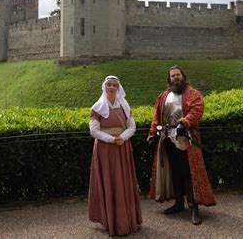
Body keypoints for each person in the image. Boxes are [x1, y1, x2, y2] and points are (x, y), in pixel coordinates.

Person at [148, 66, 215, 225]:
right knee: (175, 172)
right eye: (172, 76)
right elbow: (157, 117)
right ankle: (179, 203)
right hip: (168, 139)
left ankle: (194, 207)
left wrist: (185, 123)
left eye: (178, 75)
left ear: (183, 76)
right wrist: (153, 134)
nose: (175, 78)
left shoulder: (193, 94)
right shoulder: (163, 96)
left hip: (187, 139)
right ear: (169, 79)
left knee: (189, 173)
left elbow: (197, 109)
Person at [88, 75, 142, 236]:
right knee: (110, 181)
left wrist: (122, 138)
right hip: (106, 150)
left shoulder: (125, 105)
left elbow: (132, 126)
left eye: (114, 85)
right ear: (104, 86)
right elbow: (94, 131)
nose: (111, 88)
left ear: (118, 88)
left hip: (122, 148)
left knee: (123, 182)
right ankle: (110, 220)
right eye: (109, 85)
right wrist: (112, 139)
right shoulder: (97, 107)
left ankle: (126, 219)